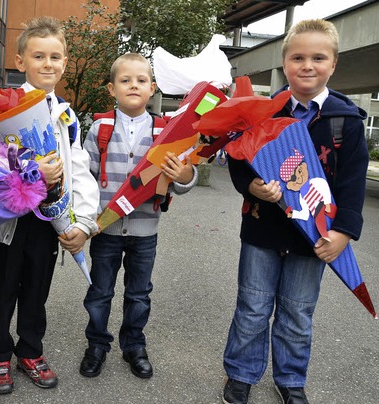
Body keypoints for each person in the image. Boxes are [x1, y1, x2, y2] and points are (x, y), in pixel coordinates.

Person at [221, 19, 369, 404]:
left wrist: (343, 233)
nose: (308, 65)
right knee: (252, 308)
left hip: (315, 237)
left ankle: (290, 379)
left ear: (333, 64)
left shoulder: (346, 119)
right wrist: (250, 186)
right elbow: (239, 159)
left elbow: (352, 184)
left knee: (298, 313)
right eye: (298, 57)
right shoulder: (262, 111)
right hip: (262, 229)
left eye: (318, 57)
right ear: (285, 63)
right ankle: (241, 373)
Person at [0, 16, 99, 394]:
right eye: (39, 56)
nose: (48, 64)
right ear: (20, 61)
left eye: (56, 57)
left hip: (49, 219)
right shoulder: (1, 106)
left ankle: (30, 349)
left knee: (36, 290)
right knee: (2, 288)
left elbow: (78, 168)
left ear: (64, 62)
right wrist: (28, 171)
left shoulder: (67, 114)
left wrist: (84, 221)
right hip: (10, 219)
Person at [79, 53, 197, 379]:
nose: (134, 85)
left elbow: (184, 181)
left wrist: (185, 175)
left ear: (152, 88)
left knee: (139, 293)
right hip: (106, 230)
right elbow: (84, 178)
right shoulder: (100, 127)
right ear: (111, 88)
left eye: (141, 80)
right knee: (100, 292)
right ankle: (97, 345)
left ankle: (134, 344)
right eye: (125, 80)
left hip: (146, 230)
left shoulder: (166, 131)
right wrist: (85, 219)